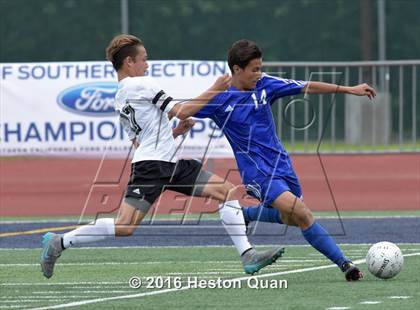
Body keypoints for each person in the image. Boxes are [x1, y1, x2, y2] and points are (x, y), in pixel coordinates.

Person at [40, 35, 285, 279]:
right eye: (144, 59)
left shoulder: (120, 96)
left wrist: (175, 132)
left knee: (227, 191)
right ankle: (59, 242)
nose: (147, 64)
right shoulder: (143, 84)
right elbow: (183, 111)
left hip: (164, 163)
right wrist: (215, 89)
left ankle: (247, 255)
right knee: (124, 226)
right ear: (129, 62)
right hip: (153, 167)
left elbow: (141, 140)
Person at [193, 39, 377, 281]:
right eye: (254, 69)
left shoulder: (266, 85)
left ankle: (246, 215)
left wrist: (348, 89)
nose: (259, 74)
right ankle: (345, 265)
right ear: (237, 69)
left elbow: (307, 86)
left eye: (260, 68)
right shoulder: (220, 99)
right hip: (257, 174)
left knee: (290, 217)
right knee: (302, 213)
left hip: (282, 166)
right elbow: (183, 110)